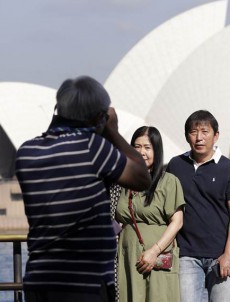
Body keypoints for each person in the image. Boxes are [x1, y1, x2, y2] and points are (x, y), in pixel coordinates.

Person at [15, 76, 152, 302]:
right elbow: (141, 177)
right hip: (84, 282)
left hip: (39, 279)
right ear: (98, 117)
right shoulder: (92, 148)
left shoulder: (27, 152)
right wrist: (112, 130)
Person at [166, 110, 230, 302]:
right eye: (193, 132)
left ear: (216, 135)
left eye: (205, 131)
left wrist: (229, 253)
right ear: (187, 136)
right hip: (187, 256)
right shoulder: (176, 165)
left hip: (220, 256)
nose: (199, 138)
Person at [115, 126, 185, 302]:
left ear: (157, 150)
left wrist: (154, 251)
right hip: (127, 254)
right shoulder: (123, 182)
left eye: (147, 147)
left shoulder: (168, 181)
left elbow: (177, 222)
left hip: (157, 255)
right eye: (136, 147)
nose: (141, 152)